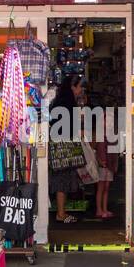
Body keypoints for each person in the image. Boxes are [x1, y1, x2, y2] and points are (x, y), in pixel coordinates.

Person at [47, 75, 85, 225]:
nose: (81, 90)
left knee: (61, 180)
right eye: (79, 87)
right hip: (64, 149)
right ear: (72, 87)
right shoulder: (68, 104)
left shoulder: (58, 102)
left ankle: (61, 212)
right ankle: (61, 213)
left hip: (58, 147)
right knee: (63, 181)